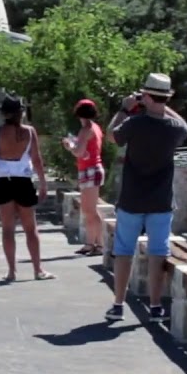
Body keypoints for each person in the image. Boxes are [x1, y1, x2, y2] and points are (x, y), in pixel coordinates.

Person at [104, 73, 187, 324]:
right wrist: (162, 103)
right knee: (157, 253)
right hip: (161, 200)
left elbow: (111, 135)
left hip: (132, 198)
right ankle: (155, 306)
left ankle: (118, 304)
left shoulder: (135, 123)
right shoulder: (175, 129)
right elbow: (184, 124)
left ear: (147, 97)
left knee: (123, 251)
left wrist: (125, 108)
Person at [0, 94, 54, 282]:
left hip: (2, 181)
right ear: (20, 112)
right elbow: (37, 159)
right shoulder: (29, 132)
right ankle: (38, 270)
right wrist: (43, 183)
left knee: (7, 229)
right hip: (22, 180)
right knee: (30, 228)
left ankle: (12, 271)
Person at [63, 99, 105, 257]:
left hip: (90, 170)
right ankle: (91, 243)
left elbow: (79, 152)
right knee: (89, 210)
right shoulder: (95, 127)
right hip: (91, 169)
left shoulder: (85, 129)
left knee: (89, 210)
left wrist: (70, 146)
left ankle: (98, 244)